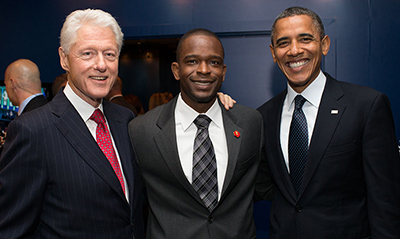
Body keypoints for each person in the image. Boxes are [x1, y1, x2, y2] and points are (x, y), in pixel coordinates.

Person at [256, 6, 400, 238]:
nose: (294, 50)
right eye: (284, 43)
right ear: (274, 53)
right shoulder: (263, 116)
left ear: (324, 44)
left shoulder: (366, 105)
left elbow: (385, 200)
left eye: (305, 39)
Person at [0, 9, 145, 239]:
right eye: (87, 53)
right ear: (64, 58)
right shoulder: (33, 131)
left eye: (110, 54)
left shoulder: (124, 119)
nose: (101, 65)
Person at [128, 28, 269, 238]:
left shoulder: (250, 122)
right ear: (176, 70)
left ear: (223, 71)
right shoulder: (141, 130)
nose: (204, 70)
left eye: (214, 62)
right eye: (192, 61)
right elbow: (134, 201)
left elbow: (258, 185)